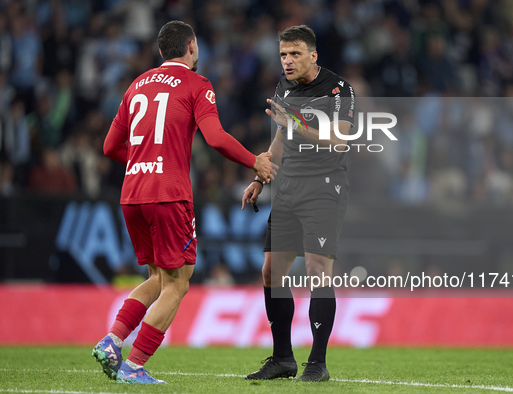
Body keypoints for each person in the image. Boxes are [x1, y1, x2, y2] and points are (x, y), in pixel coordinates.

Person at [93, 20, 272, 385]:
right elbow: (216, 137)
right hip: (168, 194)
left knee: (159, 278)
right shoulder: (197, 84)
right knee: (179, 284)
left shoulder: (136, 84)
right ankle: (135, 364)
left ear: (161, 51)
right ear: (192, 46)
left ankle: (112, 341)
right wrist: (255, 160)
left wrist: (145, 158)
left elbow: (110, 147)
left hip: (132, 194)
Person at [242, 25, 354, 382]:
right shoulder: (284, 87)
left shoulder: (339, 90)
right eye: (283, 55)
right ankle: (282, 359)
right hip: (288, 187)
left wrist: (293, 122)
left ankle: (317, 364)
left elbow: (339, 141)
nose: (287, 62)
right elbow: (280, 134)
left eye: (294, 54)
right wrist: (262, 177)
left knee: (318, 270)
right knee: (271, 271)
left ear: (313, 55)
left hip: (324, 188)